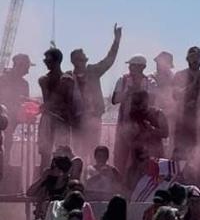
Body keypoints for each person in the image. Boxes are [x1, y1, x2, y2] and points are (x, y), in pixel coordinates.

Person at [70, 24, 122, 158]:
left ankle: (91, 175)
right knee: (77, 153)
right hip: (76, 121)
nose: (83, 62)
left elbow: (109, 60)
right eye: (80, 59)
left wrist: (116, 41)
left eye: (84, 59)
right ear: (74, 61)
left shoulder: (93, 71)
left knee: (93, 152)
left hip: (93, 119)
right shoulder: (68, 78)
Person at [38, 47, 80, 170]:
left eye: (48, 60)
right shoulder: (44, 80)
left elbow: (71, 103)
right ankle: (44, 185)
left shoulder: (68, 80)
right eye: (45, 60)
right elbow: (48, 101)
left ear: (57, 61)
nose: (46, 62)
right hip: (48, 120)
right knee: (45, 155)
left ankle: (62, 184)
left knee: (63, 155)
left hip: (62, 121)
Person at [111, 54, 154, 172]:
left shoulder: (149, 82)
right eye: (130, 66)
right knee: (121, 156)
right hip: (124, 124)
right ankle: (119, 182)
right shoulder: (123, 80)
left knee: (139, 156)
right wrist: (127, 93)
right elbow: (114, 100)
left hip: (142, 126)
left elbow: (153, 102)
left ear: (142, 67)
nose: (130, 68)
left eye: (133, 66)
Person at [121, 90, 169, 185]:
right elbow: (127, 137)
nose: (138, 106)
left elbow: (166, 133)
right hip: (137, 158)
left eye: (140, 102)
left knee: (156, 183)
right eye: (136, 103)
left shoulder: (158, 113)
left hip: (155, 156)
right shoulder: (132, 116)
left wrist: (151, 129)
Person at [173, 46, 200, 160]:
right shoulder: (180, 75)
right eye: (192, 57)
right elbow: (176, 96)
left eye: (198, 57)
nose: (195, 60)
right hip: (183, 122)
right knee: (180, 155)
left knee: (199, 155)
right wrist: (195, 82)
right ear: (187, 59)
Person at [0, 53, 33, 169]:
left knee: (6, 146)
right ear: (19, 65)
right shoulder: (2, 80)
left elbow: (25, 105)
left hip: (11, 123)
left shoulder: (24, 84)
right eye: (26, 68)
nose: (28, 72)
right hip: (2, 120)